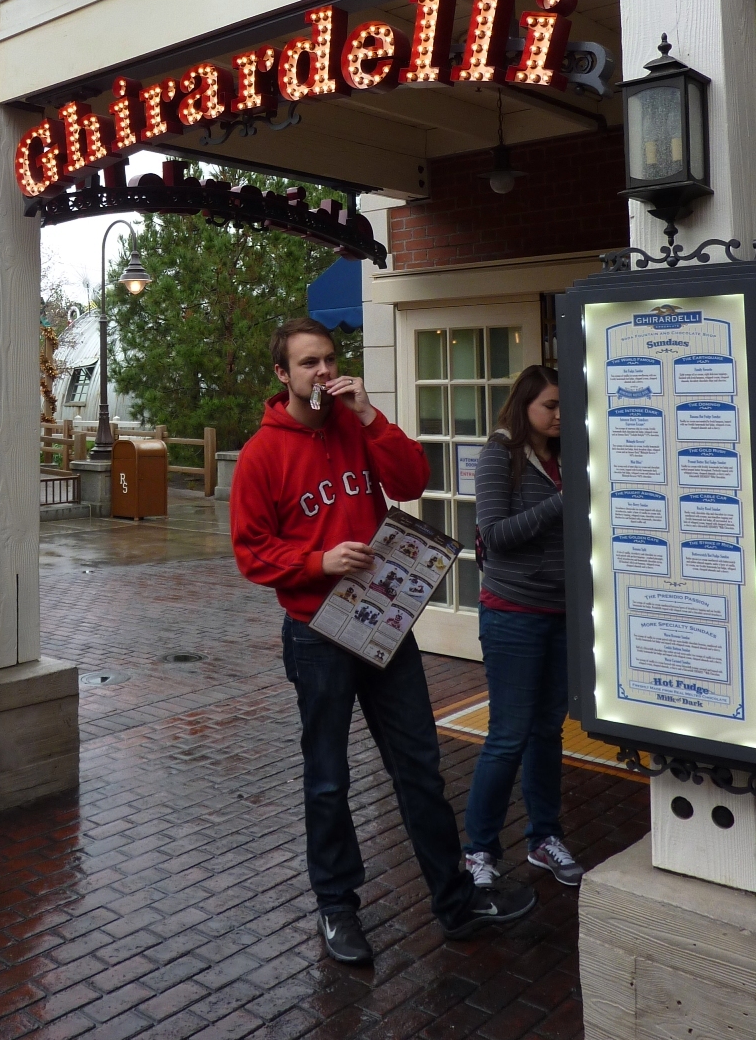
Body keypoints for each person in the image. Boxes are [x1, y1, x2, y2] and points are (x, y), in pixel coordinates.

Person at [230, 317, 536, 965]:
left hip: (385, 625)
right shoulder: (262, 452)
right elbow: (252, 551)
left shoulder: (355, 425)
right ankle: (337, 907)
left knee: (419, 766)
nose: (323, 371)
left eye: (329, 358)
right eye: (308, 362)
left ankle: (455, 901)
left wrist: (370, 416)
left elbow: (412, 480)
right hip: (317, 632)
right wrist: (318, 561)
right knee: (328, 777)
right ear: (282, 374)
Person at [464, 364, 584, 889]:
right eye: (549, 406)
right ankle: (479, 849)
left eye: (564, 406)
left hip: (564, 613)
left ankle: (544, 838)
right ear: (524, 407)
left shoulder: (572, 454)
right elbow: (495, 534)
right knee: (508, 736)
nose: (559, 415)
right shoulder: (501, 454)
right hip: (513, 613)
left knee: (546, 732)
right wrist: (564, 501)